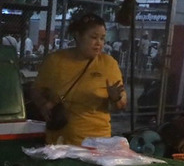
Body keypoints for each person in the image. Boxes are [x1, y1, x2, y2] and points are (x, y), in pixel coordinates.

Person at [30, 13, 126, 146]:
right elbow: (36, 90)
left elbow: (121, 104)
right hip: (59, 141)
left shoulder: (108, 64)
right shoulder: (55, 60)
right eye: (93, 37)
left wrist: (116, 98)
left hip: (95, 143)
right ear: (78, 36)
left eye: (102, 38)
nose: (99, 43)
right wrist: (43, 105)